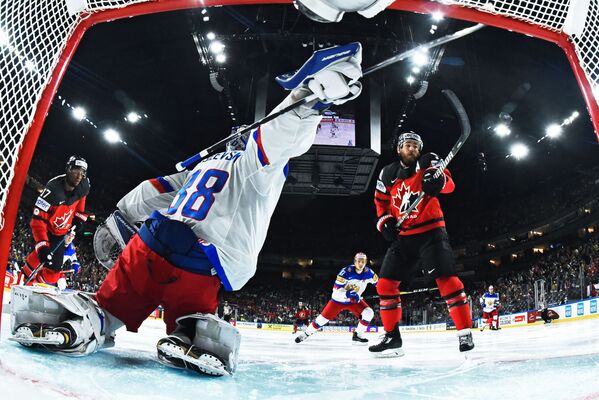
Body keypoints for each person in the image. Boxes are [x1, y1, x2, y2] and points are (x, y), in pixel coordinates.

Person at [10, 43, 363, 377]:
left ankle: (82, 323)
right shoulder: (254, 169)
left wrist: (119, 217)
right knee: (192, 317)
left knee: (109, 307)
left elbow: (153, 190)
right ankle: (192, 335)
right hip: (199, 260)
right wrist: (308, 100)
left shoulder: (201, 168)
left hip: (148, 244)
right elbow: (272, 140)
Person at [369, 132, 474, 357]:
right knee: (385, 286)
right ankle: (392, 337)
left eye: (415, 146)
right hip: (404, 235)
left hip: (431, 232)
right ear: (398, 149)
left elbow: (449, 184)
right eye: (407, 145)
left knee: (447, 281)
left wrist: (438, 181)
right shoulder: (387, 173)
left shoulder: (428, 162)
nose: (412, 149)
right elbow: (381, 201)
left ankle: (464, 332)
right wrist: (384, 221)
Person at [21, 156, 92, 286]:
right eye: (76, 171)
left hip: (60, 236)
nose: (79, 176)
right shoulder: (52, 188)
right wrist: (42, 245)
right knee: (38, 258)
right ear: (68, 169)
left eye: (82, 173)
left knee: (53, 274)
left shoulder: (82, 187)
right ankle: (21, 282)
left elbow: (80, 210)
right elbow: (38, 220)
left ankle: (33, 284)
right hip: (47, 231)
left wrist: (79, 219)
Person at [295, 252, 377, 344]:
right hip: (338, 300)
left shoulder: (369, 273)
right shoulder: (345, 272)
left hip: (354, 301)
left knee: (369, 313)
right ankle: (306, 334)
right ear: (355, 262)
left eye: (363, 261)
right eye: (359, 261)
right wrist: (348, 294)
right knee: (321, 320)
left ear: (366, 262)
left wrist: (384, 292)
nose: (361, 264)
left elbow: (379, 284)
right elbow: (336, 290)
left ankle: (358, 335)